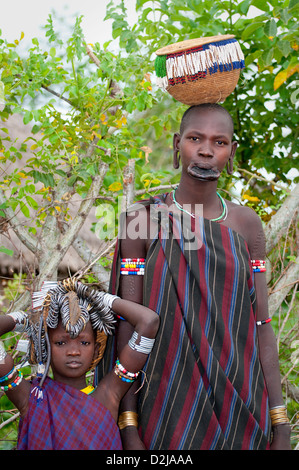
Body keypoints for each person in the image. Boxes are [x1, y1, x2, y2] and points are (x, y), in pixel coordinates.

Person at [99, 103, 292, 450]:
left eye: (219, 142)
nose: (205, 150)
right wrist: (128, 423)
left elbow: (262, 325)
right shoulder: (142, 218)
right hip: (164, 400)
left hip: (241, 405)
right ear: (177, 144)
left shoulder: (246, 225)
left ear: (231, 152)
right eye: (194, 138)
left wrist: (280, 421)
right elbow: (125, 324)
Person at [0, 278, 159, 450]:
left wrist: (94, 298)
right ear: (45, 346)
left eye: (84, 343)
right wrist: (28, 320)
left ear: (96, 348)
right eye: (61, 343)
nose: (74, 351)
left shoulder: (109, 395)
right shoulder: (30, 399)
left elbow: (149, 321)